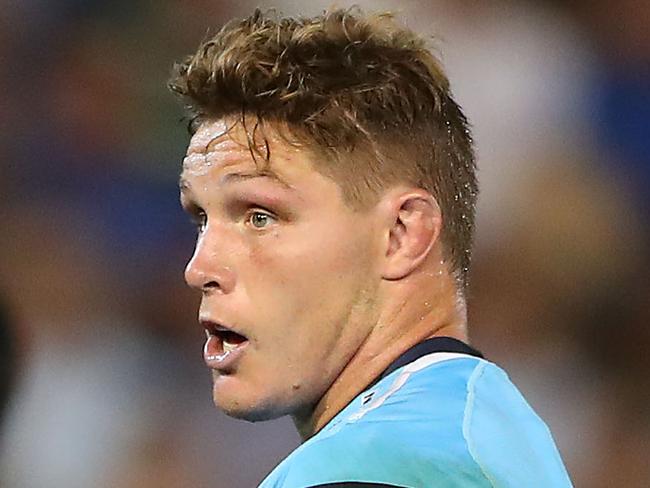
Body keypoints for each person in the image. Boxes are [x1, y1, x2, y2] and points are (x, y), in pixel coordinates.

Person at [170, 8, 573, 487]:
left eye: (261, 216)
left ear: (402, 234)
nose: (199, 268)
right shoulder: (482, 429)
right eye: (201, 218)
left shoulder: (375, 467)